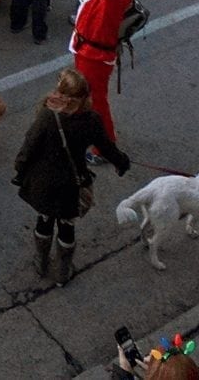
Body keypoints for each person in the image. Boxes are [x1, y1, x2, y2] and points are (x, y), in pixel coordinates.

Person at [13, 68, 131, 285]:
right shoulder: (92, 119)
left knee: (44, 219)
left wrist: (20, 172)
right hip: (72, 184)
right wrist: (122, 163)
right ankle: (63, 272)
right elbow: (107, 148)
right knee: (67, 225)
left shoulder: (48, 116)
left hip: (43, 182)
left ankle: (42, 263)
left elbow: (28, 148)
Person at [67, 0, 145, 142]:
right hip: (90, 52)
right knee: (91, 97)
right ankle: (93, 134)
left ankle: (104, 144)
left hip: (93, 56)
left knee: (97, 102)